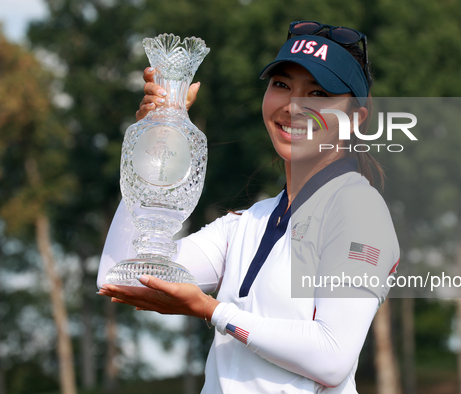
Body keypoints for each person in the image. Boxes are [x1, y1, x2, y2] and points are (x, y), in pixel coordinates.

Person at [98, 21, 400, 393]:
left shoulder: (359, 210)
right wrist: (154, 134)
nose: (294, 105)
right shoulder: (249, 222)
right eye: (281, 85)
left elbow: (333, 357)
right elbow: (118, 275)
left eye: (319, 93)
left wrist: (213, 311)